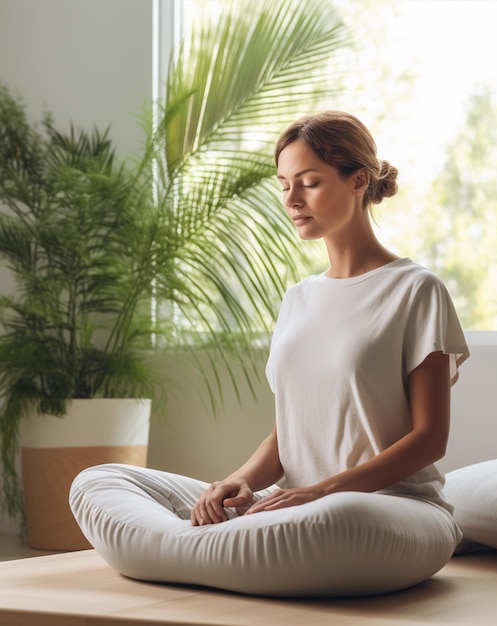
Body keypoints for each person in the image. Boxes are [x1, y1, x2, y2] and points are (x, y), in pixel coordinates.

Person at [70, 110, 470, 597]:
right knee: (99, 480)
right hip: (290, 506)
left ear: (358, 181)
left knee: (337, 517)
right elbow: (290, 433)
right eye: (284, 184)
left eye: (309, 182)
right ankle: (220, 546)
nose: (292, 200)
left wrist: (322, 491)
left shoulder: (416, 289)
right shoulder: (298, 299)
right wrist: (235, 482)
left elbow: (430, 439)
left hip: (384, 509)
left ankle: (182, 554)